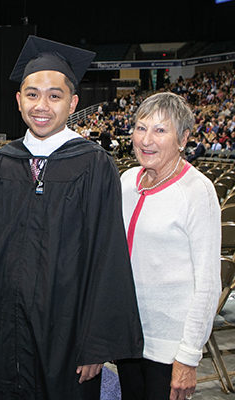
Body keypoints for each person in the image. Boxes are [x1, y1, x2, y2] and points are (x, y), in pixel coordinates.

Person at [0, 35, 143, 399]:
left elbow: (108, 257)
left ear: (73, 102)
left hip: (68, 332)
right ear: (18, 100)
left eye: (54, 96)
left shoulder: (94, 165)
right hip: (3, 326)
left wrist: (96, 343)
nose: (42, 105)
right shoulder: (3, 163)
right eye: (32, 94)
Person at [118, 92, 221, 400]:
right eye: (141, 127)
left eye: (160, 130)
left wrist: (189, 356)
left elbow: (207, 283)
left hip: (168, 348)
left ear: (184, 138)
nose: (146, 139)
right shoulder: (126, 181)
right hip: (128, 338)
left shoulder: (197, 191)